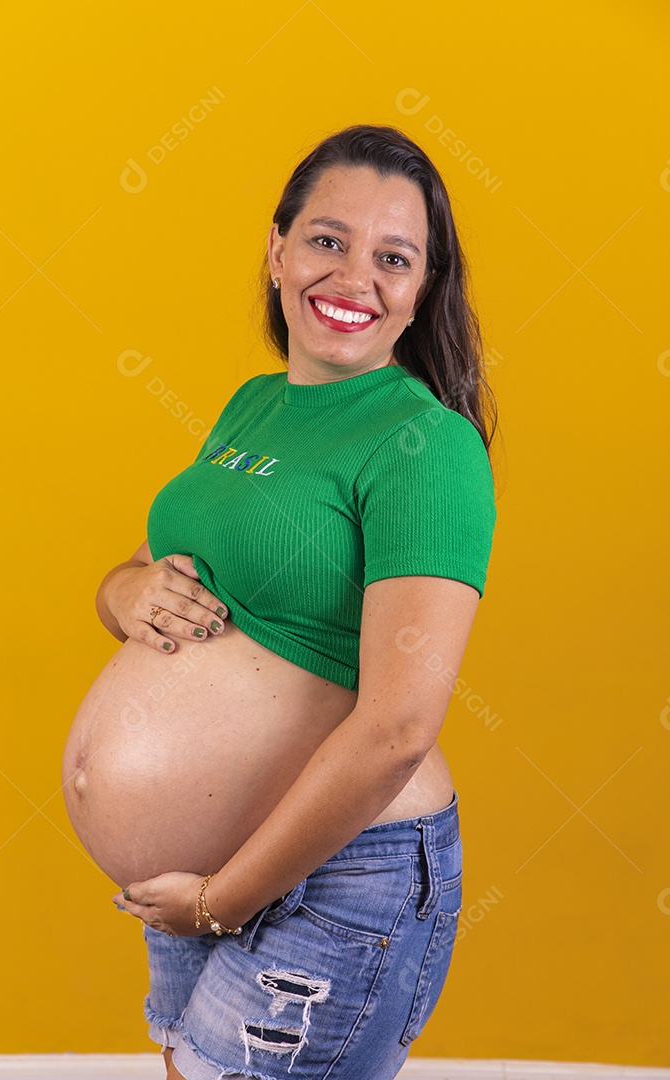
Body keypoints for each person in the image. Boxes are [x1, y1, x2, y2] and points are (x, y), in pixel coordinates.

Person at [63, 123, 498, 1080]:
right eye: (327, 240)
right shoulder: (252, 406)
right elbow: (140, 574)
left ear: (421, 290)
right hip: (204, 871)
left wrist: (224, 899)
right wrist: (126, 588)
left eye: (394, 258)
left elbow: (396, 729)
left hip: (332, 877)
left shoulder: (427, 448)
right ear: (277, 249)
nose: (354, 279)